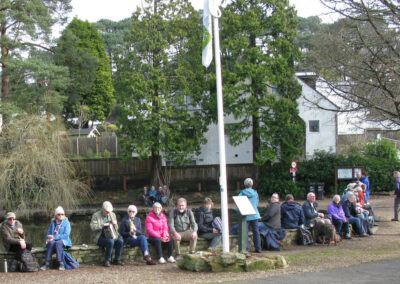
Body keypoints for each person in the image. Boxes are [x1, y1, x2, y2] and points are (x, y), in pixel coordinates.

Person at [90, 201, 124, 267]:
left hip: (112, 234)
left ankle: (117, 259)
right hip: (100, 236)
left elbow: (116, 228)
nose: (108, 213)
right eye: (107, 211)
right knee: (110, 242)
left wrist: (115, 224)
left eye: (109, 212)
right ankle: (107, 260)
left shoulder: (112, 214)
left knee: (120, 241)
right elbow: (93, 227)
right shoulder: (95, 215)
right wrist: (103, 225)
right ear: (102, 209)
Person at [40, 206, 72, 271]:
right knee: (51, 242)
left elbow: (66, 235)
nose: (60, 215)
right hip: (53, 243)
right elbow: (48, 234)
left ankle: (61, 263)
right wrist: (48, 237)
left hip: (65, 245)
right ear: (56, 215)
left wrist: (54, 237)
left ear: (64, 215)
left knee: (58, 242)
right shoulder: (53, 223)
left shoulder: (66, 223)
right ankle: (47, 263)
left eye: (62, 214)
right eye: (59, 214)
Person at [238, 178, 262, 253]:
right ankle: (258, 248)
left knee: (245, 232)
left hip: (246, 215)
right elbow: (257, 203)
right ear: (252, 184)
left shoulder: (242, 193)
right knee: (256, 232)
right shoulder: (255, 193)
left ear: (245, 185)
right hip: (255, 214)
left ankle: (246, 249)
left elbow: (239, 203)